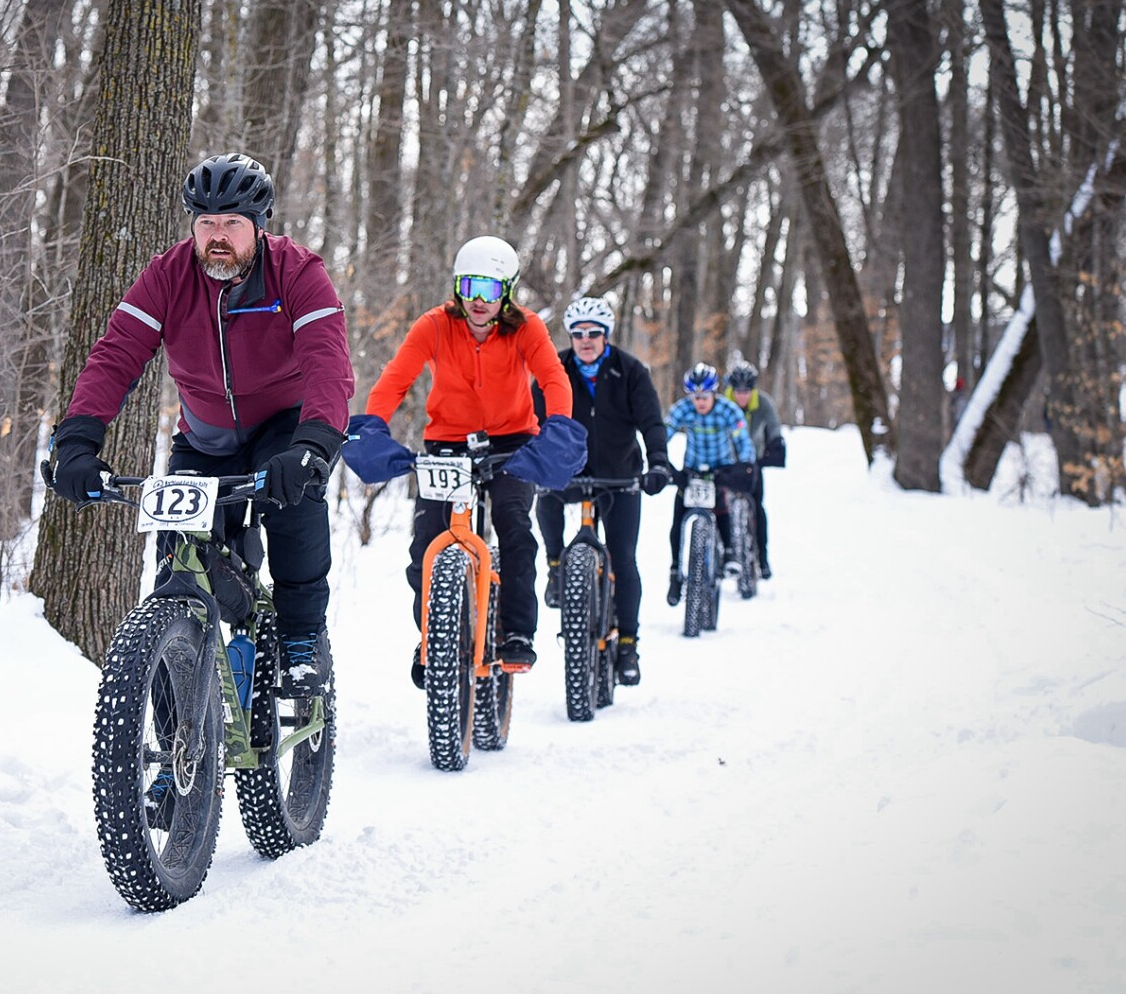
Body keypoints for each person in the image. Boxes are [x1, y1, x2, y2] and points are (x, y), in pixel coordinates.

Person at [49, 152, 354, 697]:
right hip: (206, 437)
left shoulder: (298, 273)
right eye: (207, 223)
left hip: (283, 428)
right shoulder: (166, 276)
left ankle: (302, 638)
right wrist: (77, 440)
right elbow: (115, 356)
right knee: (179, 562)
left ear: (258, 227)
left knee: (295, 504)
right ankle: (175, 730)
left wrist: (314, 443)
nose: (218, 236)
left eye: (232, 223)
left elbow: (328, 364)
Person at [343, 235, 583, 687]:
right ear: (457, 285)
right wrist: (373, 424)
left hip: (513, 442)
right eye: (470, 286)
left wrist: (557, 429)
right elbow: (396, 379)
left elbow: (554, 378)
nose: (477, 300)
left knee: (514, 528)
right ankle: (431, 636)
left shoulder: (527, 327)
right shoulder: (433, 325)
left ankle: (515, 632)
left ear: (506, 292)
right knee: (427, 544)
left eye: (490, 290)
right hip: (447, 443)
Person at [531, 297, 670, 686]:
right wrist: (529, 458)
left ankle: (628, 645)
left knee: (624, 558)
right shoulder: (553, 369)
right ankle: (556, 566)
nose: (586, 340)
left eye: (593, 333)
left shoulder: (630, 371)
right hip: (568, 470)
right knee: (546, 495)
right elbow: (530, 419)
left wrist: (658, 462)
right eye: (578, 334)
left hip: (620, 475)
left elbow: (652, 421)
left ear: (605, 335)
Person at [663, 362, 755, 605]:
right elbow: (665, 432)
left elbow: (742, 439)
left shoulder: (728, 410)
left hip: (721, 467)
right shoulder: (682, 409)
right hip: (692, 467)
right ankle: (675, 572)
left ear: (714, 393)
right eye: (695, 396)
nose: (700, 402)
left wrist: (745, 465)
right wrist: (660, 459)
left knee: (721, 505)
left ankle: (730, 553)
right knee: (679, 515)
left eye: (705, 396)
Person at [723, 361, 783, 579]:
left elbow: (774, 427)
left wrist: (776, 446)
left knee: (757, 507)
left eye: (746, 391)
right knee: (720, 507)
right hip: (726, 462)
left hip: (753, 463)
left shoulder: (763, 403)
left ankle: (762, 557)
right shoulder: (723, 404)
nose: (742, 396)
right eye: (738, 391)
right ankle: (724, 552)